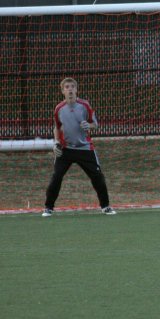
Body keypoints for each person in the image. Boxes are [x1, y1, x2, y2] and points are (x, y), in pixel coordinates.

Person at [42, 77, 115, 217]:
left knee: (97, 176)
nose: (70, 89)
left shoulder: (84, 105)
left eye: (72, 87)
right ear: (63, 91)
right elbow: (57, 128)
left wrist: (90, 126)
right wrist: (56, 142)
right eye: (67, 87)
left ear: (76, 89)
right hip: (66, 149)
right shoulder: (59, 109)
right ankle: (48, 208)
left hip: (85, 148)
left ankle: (105, 206)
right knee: (56, 177)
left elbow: (95, 124)